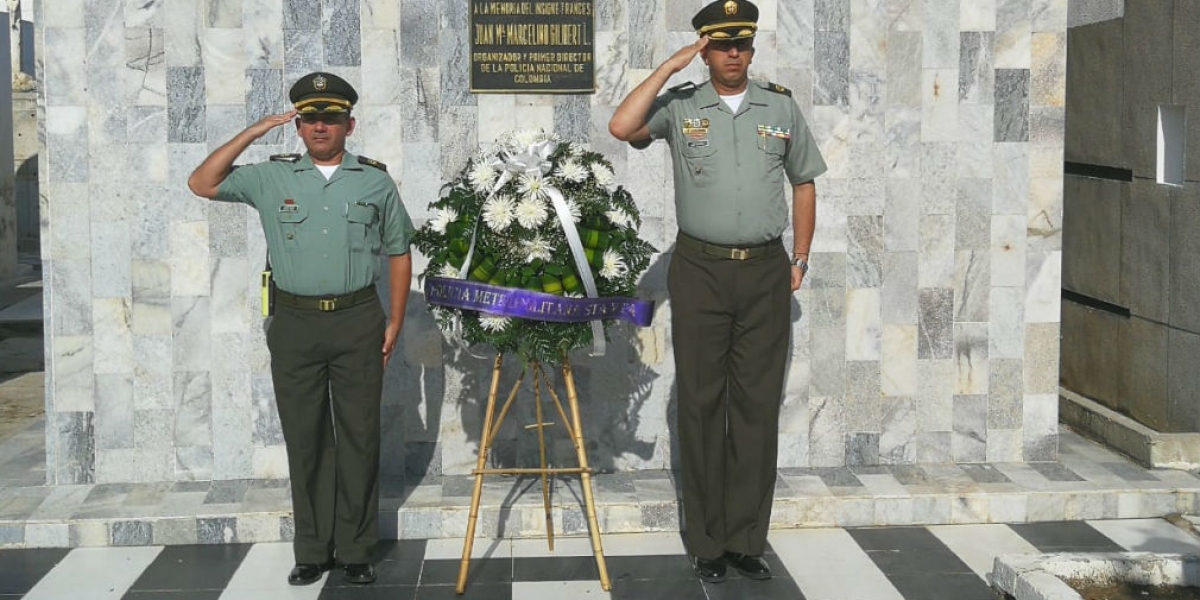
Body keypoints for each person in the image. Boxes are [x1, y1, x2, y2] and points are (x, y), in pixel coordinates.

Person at [608, 0, 827, 584]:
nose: (734, 53)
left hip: (764, 272)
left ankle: (745, 538)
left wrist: (799, 259)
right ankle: (706, 540)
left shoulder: (779, 106)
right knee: (702, 402)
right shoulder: (682, 108)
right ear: (705, 49)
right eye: (722, 45)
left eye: (743, 44)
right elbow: (621, 127)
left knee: (756, 407)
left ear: (752, 49)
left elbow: (804, 181)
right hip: (700, 270)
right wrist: (668, 68)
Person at [187, 71, 414, 586]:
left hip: (358, 319)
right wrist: (255, 130)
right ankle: (312, 548)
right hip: (294, 323)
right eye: (310, 118)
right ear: (298, 125)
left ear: (348, 125)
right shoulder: (272, 178)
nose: (319, 127)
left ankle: (356, 548)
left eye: (330, 119)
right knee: (306, 437)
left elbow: (399, 251)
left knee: (358, 436)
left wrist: (395, 318)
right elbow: (202, 182)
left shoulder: (374, 180)